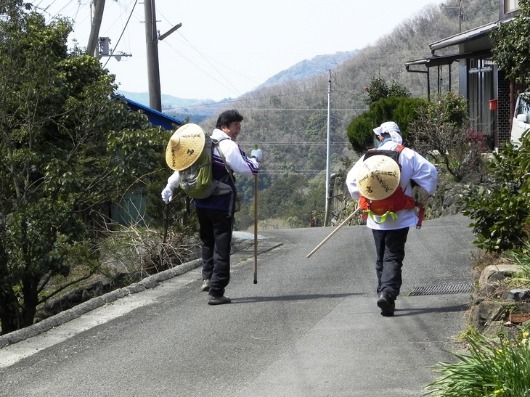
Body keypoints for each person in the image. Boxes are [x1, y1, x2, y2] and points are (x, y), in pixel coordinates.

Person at [161, 110, 262, 305]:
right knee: (222, 246)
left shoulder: (200, 144)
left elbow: (182, 168)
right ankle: (216, 291)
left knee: (207, 241)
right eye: (235, 126)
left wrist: (169, 186)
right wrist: (256, 158)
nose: (238, 131)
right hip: (221, 203)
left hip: (200, 202)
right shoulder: (228, 146)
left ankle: (207, 278)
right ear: (224, 126)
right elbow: (249, 169)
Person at [345, 121, 437, 316]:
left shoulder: (369, 156)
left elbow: (352, 180)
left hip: (376, 214)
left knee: (381, 256)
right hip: (400, 215)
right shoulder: (407, 154)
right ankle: (388, 293)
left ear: (381, 137)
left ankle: (383, 291)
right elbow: (431, 173)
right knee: (393, 255)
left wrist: (362, 197)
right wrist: (425, 193)